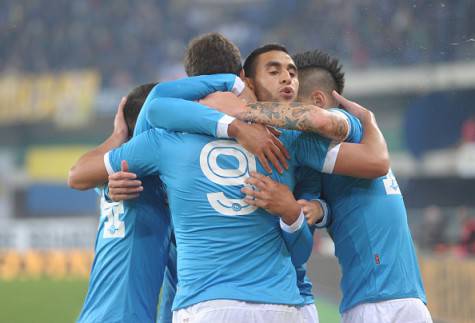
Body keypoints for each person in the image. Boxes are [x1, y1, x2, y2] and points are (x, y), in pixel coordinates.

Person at [127, 40, 388, 323]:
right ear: (246, 81)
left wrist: (303, 209)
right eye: (274, 71)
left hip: (287, 296)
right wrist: (236, 117)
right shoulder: (192, 128)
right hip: (218, 294)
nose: (287, 77)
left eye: (292, 71)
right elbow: (156, 107)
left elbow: (363, 158)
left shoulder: (299, 136)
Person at [246, 49, 432, 323]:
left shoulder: (348, 124)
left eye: (293, 106)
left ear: (317, 100)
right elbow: (336, 203)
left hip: (378, 302)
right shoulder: (326, 157)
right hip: (401, 296)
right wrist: (318, 209)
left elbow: (319, 120)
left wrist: (240, 111)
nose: (286, 118)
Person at [69, 83, 173, 323]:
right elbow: (75, 175)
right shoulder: (142, 175)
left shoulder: (112, 174)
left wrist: (117, 136)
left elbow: (81, 170)